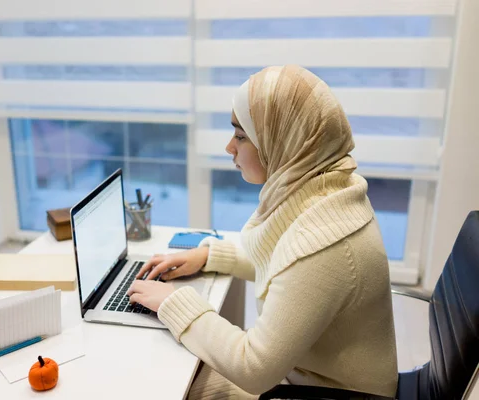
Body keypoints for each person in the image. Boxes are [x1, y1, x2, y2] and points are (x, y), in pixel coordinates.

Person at [127, 65, 398, 399]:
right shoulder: (328, 191)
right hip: (311, 377)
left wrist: (174, 303)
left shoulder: (327, 243)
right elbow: (287, 266)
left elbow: (253, 370)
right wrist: (210, 255)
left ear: (283, 141)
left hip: (326, 393)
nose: (230, 147)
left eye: (241, 136)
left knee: (168, 381)